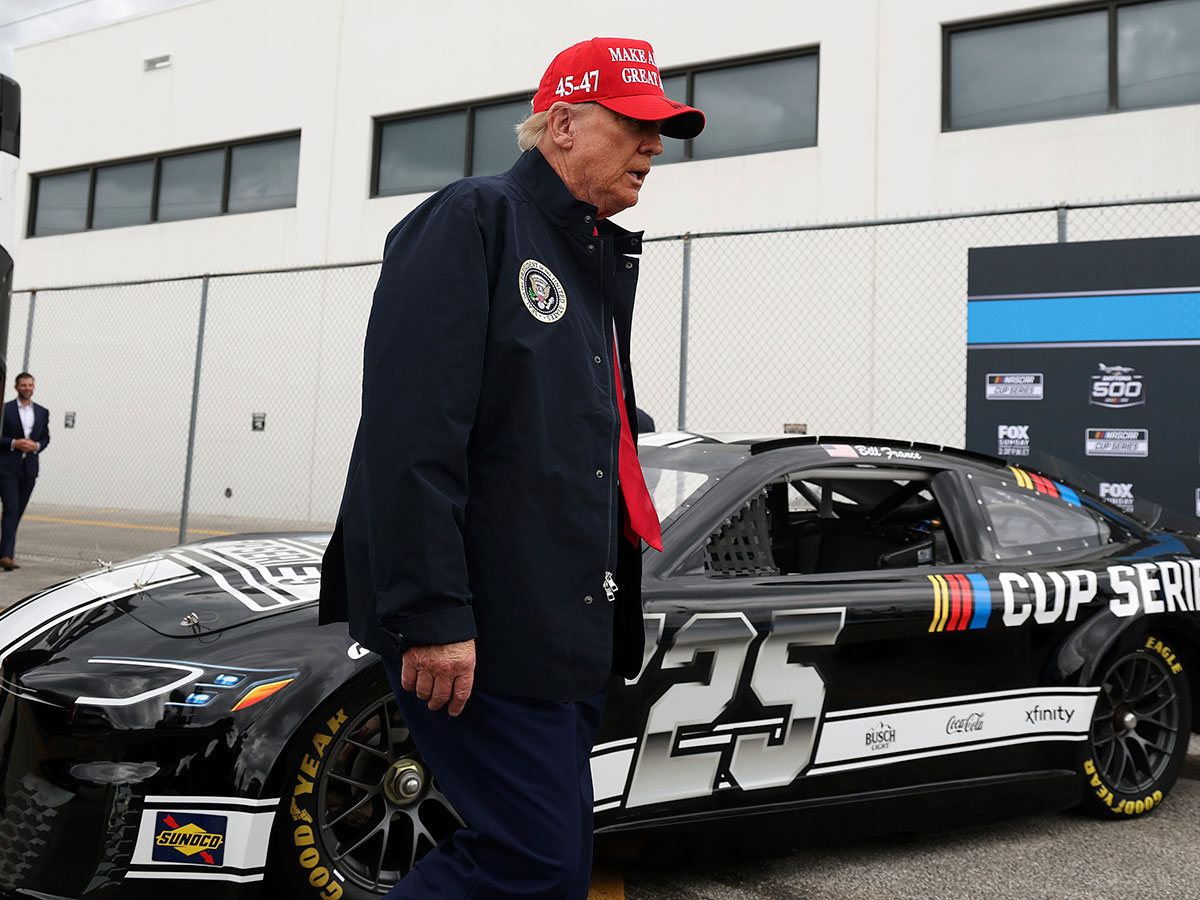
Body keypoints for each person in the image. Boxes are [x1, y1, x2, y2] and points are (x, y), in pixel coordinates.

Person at [319, 36, 704, 900]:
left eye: (663, 130)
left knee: (558, 868)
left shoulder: (591, 251)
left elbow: (550, 432)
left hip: (564, 624)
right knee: (529, 862)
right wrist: (430, 612)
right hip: (482, 627)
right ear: (562, 124)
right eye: (636, 124)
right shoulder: (473, 219)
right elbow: (410, 433)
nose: (654, 146)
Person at [0, 372, 50, 570]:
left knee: (17, 512)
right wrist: (14, 443)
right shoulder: (6, 410)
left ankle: (3, 551)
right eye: (23, 385)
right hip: (7, 469)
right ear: (16, 387)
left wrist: (36, 446)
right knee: (11, 509)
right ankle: (7, 556)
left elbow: (46, 437)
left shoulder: (42, 411)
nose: (27, 388)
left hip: (29, 469)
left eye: (30, 385)